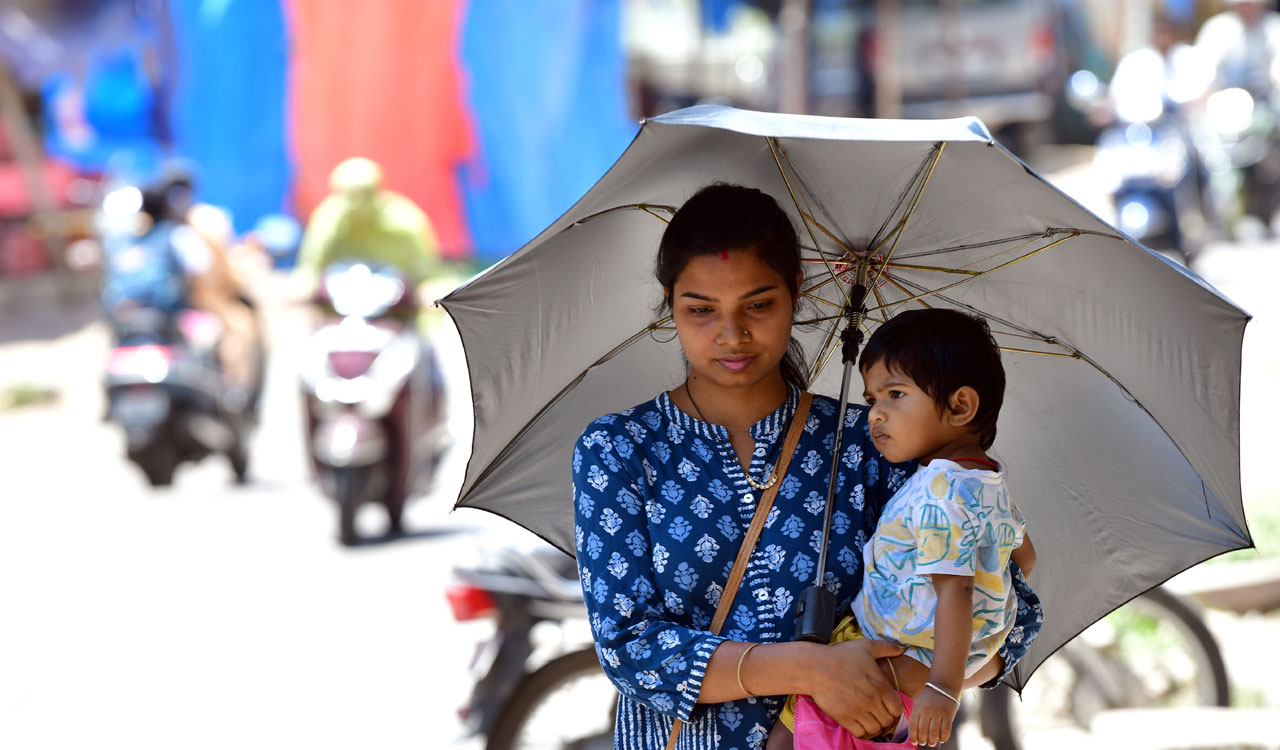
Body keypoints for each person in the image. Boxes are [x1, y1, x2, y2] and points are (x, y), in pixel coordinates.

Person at [571, 183, 1043, 749]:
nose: (732, 333)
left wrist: (901, 679)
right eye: (700, 310)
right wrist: (808, 670)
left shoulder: (873, 443)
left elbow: (1009, 614)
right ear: (669, 302)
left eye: (759, 304)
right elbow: (628, 647)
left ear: (796, 291)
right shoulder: (619, 449)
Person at [768, 308, 1038, 749]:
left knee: (785, 739)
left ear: (960, 405)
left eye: (895, 394)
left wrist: (943, 688)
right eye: (872, 399)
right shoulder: (987, 480)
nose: (875, 414)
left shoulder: (939, 491)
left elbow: (955, 591)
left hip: (890, 653)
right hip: (932, 656)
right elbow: (1024, 559)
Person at [293, 156, 441, 306]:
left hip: (397, 307)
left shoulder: (404, 223)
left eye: (363, 195)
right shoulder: (328, 221)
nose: (356, 204)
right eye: (349, 196)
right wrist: (303, 289)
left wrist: (428, 290)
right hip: (341, 304)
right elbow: (310, 268)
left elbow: (427, 272)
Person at [1194, 0, 1280, 97]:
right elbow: (1205, 65)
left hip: (1268, 99)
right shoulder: (1218, 27)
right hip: (1225, 97)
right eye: (1242, 5)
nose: (1247, 8)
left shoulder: (1275, 27)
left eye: (1251, 5)